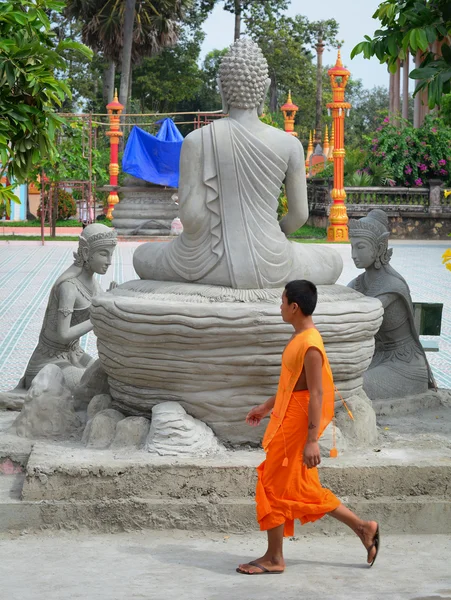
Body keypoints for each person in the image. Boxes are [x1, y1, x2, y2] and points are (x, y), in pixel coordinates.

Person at [133, 39, 342, 288]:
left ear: (221, 89)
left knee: (142, 256)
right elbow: (299, 216)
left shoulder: (196, 140)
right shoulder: (289, 145)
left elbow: (190, 218)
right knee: (332, 261)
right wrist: (270, 235)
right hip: (273, 261)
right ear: (264, 89)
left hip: (205, 261)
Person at [236, 280, 379, 575]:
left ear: (294, 307)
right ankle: (363, 527)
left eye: (282, 301)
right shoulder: (300, 337)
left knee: (272, 483)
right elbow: (291, 383)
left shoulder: (311, 344)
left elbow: (316, 393)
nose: (280, 307)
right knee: (302, 488)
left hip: (297, 426)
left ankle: (275, 559)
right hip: (287, 417)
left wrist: (312, 440)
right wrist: (266, 407)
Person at [348, 209, 435, 400]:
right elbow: (342, 301)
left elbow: (363, 315)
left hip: (405, 365)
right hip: (375, 359)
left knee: (351, 389)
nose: (354, 254)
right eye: (352, 247)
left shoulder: (391, 285)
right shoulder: (357, 283)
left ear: (379, 248)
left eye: (360, 247)